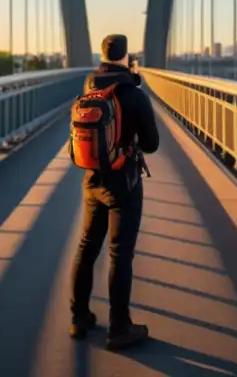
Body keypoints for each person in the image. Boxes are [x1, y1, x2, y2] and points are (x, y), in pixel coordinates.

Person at [68, 33, 159, 351]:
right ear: (126, 55)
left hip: (92, 180)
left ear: (102, 55)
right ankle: (119, 328)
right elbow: (152, 144)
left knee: (86, 247)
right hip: (125, 183)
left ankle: (78, 317)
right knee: (119, 254)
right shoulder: (134, 93)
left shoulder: (88, 87)